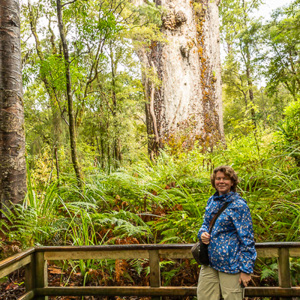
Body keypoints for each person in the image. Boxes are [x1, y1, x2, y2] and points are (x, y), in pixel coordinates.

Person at [197, 165, 256, 300]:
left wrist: (246, 270)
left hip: (231, 264)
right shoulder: (212, 201)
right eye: (218, 178)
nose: (221, 181)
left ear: (232, 182)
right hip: (209, 262)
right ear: (214, 181)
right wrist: (202, 234)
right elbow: (205, 224)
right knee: (204, 296)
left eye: (225, 179)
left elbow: (247, 239)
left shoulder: (239, 206)